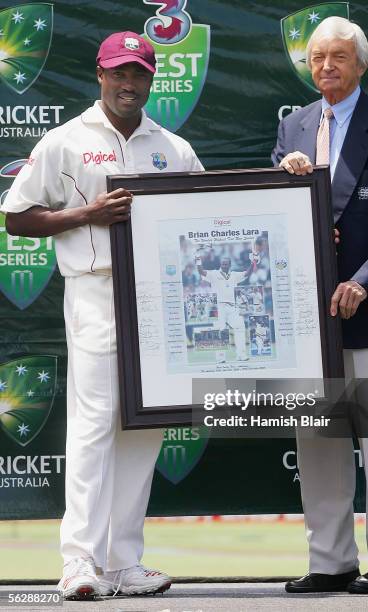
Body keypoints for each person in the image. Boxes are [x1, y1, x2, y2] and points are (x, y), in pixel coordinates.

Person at [1, 31, 203, 600]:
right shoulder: (65, 141)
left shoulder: (174, 148)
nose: (128, 84)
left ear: (152, 78)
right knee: (93, 428)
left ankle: (122, 561)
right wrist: (88, 214)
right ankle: (79, 562)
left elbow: (207, 220)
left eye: (138, 74)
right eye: (119, 73)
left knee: (145, 427)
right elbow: (16, 218)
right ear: (100, 74)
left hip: (162, 298)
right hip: (96, 291)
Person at [272, 16, 368, 594]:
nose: (327, 67)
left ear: (361, 63)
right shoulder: (293, 128)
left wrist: (364, 280)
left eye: (339, 56)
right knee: (318, 436)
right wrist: (282, 180)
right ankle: (330, 560)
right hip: (303, 313)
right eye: (317, 58)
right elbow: (274, 214)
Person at [196, 254, 258, 361]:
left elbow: (247, 273)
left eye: (226, 264)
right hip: (218, 306)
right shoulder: (214, 274)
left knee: (239, 327)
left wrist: (253, 262)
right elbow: (201, 272)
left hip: (232, 306)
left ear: (230, 265)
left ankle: (241, 355)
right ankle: (220, 358)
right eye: (222, 263)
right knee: (220, 330)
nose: (224, 265)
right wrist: (198, 262)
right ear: (220, 264)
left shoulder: (234, 275)